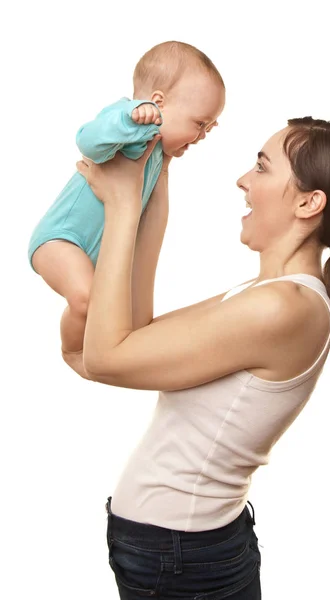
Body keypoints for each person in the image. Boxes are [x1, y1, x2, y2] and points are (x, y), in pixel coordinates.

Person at [73, 116, 330, 599]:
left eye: (261, 167)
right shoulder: (267, 295)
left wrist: (122, 206)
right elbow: (126, 338)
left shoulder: (282, 308)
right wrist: (158, 177)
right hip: (178, 550)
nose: (243, 179)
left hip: (181, 557)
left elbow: (107, 355)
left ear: (308, 201)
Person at [27, 41, 225, 377]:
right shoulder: (131, 125)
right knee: (87, 300)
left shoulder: (158, 155)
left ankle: (91, 346)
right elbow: (87, 139)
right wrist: (129, 116)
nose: (203, 135)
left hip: (96, 251)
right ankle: (74, 350)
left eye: (209, 127)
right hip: (61, 239)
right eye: (199, 123)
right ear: (158, 103)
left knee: (109, 310)